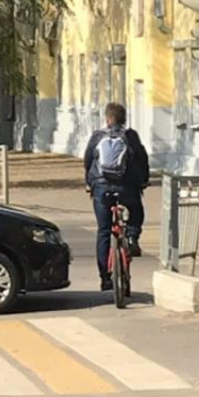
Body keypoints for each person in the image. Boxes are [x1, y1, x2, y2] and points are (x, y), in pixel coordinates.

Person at [84, 103, 149, 291]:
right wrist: (143, 181)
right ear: (124, 119)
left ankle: (105, 278)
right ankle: (132, 237)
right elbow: (142, 159)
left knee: (104, 231)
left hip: (101, 188)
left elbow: (88, 161)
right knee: (136, 210)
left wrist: (90, 183)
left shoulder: (97, 136)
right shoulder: (131, 136)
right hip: (127, 187)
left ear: (107, 118)